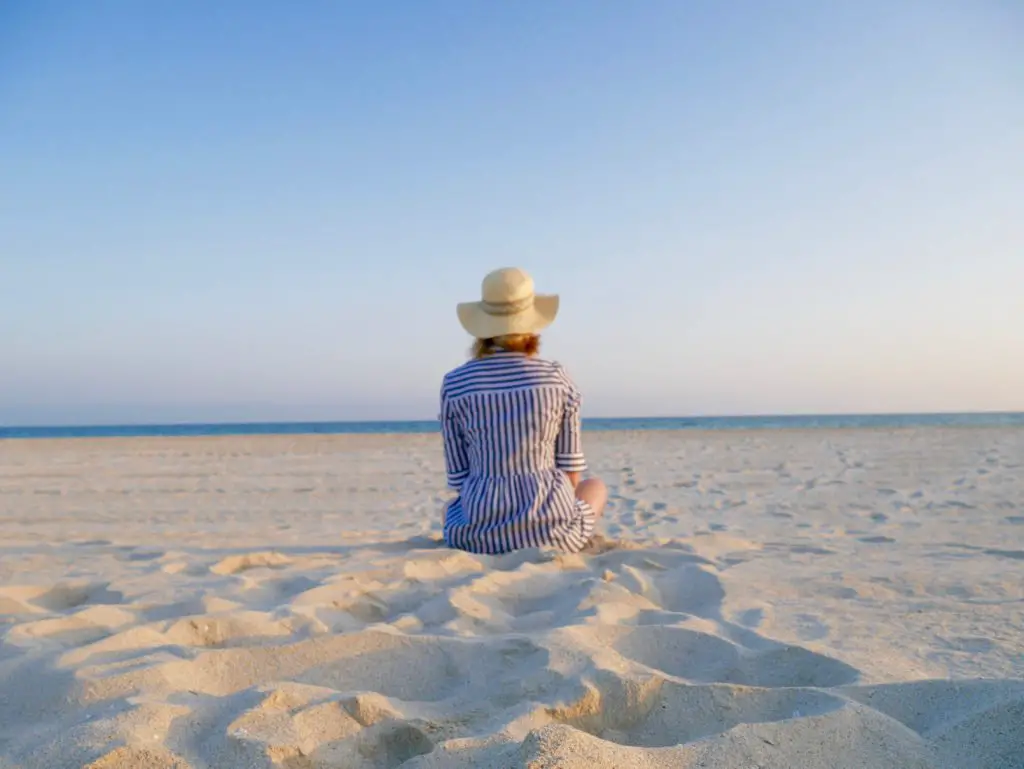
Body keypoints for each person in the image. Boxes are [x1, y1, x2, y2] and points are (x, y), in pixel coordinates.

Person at [439, 267, 608, 554]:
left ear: (482, 327)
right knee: (595, 487)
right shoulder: (556, 377)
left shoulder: (455, 383)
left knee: (448, 510)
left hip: (479, 537)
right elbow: (570, 473)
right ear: (531, 322)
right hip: (553, 534)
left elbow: (459, 477)